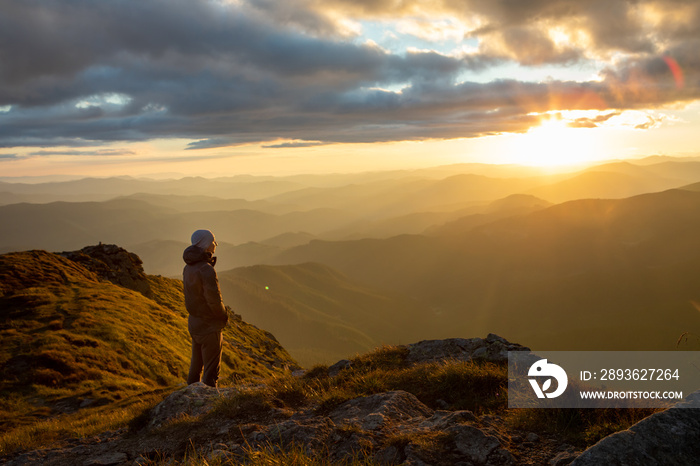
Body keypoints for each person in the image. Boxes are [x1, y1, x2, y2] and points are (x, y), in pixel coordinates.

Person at [182, 229, 229, 387]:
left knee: (195, 367)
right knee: (211, 372)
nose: (215, 244)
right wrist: (223, 316)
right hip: (209, 326)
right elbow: (214, 300)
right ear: (206, 244)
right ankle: (209, 407)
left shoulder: (188, 267)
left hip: (195, 323)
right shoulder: (206, 269)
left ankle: (188, 400)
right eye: (213, 241)